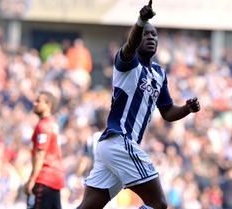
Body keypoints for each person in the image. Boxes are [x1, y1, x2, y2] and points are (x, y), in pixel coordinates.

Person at [77, 1, 200, 209]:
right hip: (119, 141)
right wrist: (141, 21)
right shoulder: (127, 63)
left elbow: (167, 112)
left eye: (154, 35)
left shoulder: (159, 74)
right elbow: (130, 45)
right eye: (146, 34)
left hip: (112, 147)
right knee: (159, 204)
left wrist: (186, 109)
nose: (150, 38)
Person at [23, 91, 65, 209]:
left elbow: (40, 155)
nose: (34, 103)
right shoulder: (53, 124)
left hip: (45, 179)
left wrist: (31, 180)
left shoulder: (44, 126)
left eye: (38, 101)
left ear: (48, 105)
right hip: (55, 179)